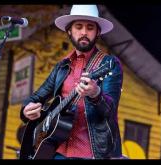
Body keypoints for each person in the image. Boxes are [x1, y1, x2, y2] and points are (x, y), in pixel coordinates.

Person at [20, 4, 123, 159]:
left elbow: (110, 108)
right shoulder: (62, 66)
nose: (84, 32)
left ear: (98, 32)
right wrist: (25, 110)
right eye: (78, 27)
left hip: (91, 153)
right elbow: (36, 97)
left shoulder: (108, 64)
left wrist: (96, 94)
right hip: (55, 150)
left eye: (90, 28)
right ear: (69, 31)